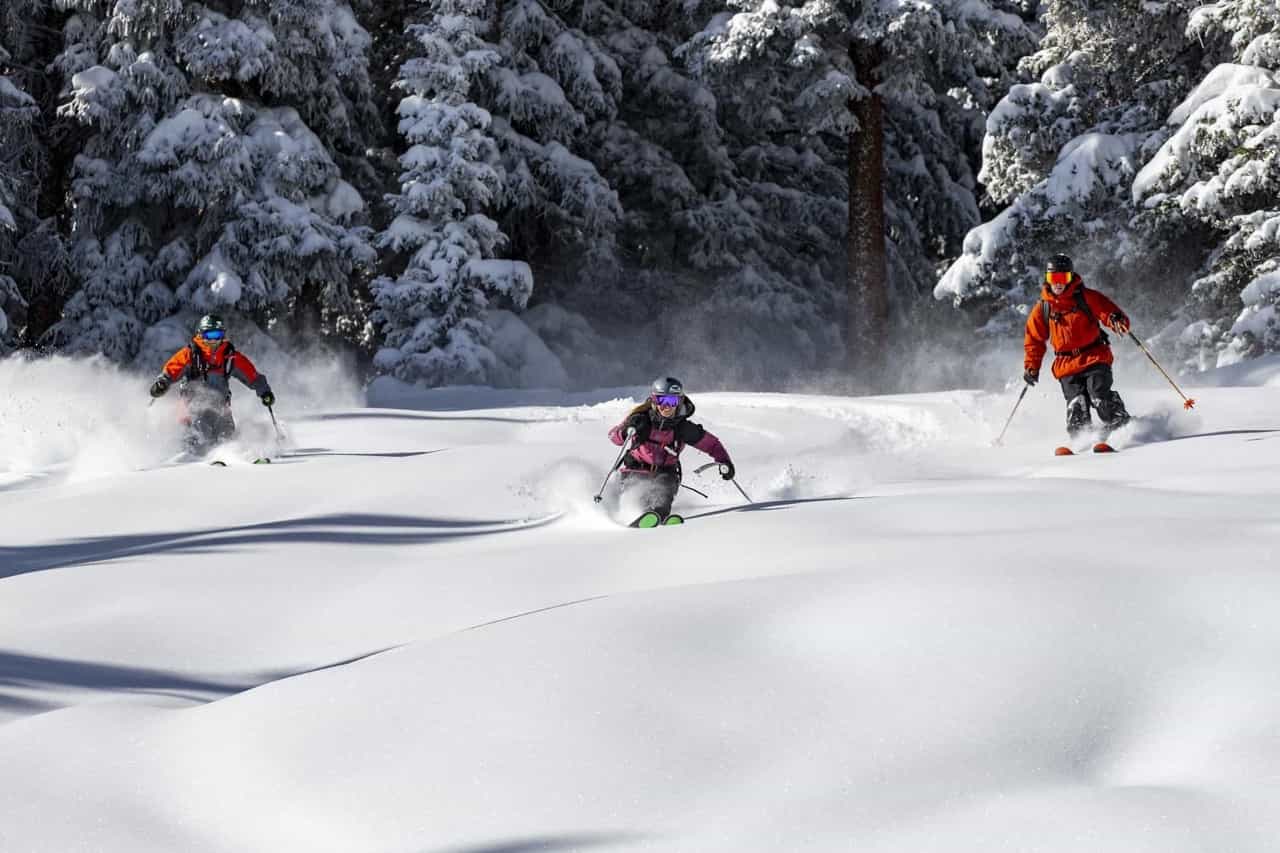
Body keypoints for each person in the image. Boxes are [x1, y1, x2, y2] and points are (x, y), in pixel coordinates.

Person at [1023, 254, 1132, 437]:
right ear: (1047, 279)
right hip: (1066, 365)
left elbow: (1107, 311)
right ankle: (1082, 440)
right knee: (1076, 406)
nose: (1058, 283)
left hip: (1094, 357)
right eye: (1053, 278)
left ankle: (1121, 425)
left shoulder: (1086, 297)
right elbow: (1034, 340)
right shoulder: (1043, 308)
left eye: (1062, 278)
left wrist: (1116, 320)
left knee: (1099, 396)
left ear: (1070, 277)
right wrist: (1032, 367)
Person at [607, 376, 734, 527]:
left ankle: (658, 515)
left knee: (663, 494)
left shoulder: (682, 427)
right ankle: (637, 518)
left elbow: (712, 444)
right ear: (654, 401)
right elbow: (613, 437)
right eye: (662, 400)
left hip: (666, 471)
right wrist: (626, 430)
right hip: (636, 467)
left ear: (679, 402)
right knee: (634, 496)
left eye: (672, 401)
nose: (667, 406)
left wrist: (725, 461)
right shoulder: (641, 419)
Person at [150, 314, 275, 451]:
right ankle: (189, 459)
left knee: (227, 436)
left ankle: (230, 457)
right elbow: (172, 369)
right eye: (210, 335)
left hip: (220, 406)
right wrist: (162, 383)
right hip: (193, 406)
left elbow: (252, 375)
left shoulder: (229, 357)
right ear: (201, 334)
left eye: (218, 334)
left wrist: (264, 391)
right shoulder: (190, 354)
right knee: (199, 435)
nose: (214, 340)